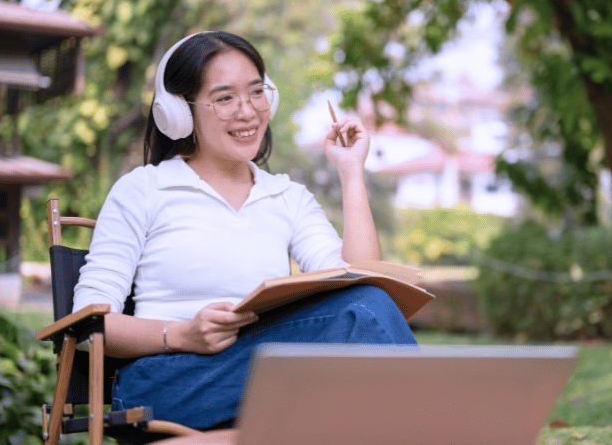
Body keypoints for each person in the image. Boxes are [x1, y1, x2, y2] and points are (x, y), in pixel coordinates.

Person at [72, 31, 417, 430]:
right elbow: (86, 325)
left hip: (259, 370)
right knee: (365, 312)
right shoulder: (143, 190)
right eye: (224, 98)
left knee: (367, 301)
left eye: (256, 92)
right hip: (165, 382)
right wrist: (182, 334)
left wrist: (351, 171)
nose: (248, 111)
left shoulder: (287, 197)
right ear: (179, 113)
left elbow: (360, 278)